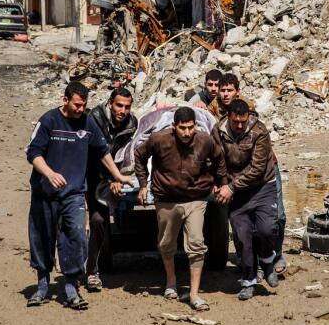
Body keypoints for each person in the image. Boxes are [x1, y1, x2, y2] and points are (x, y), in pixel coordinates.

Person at [26, 82, 133, 309]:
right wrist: (49, 173)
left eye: (83, 105)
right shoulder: (48, 121)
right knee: (43, 238)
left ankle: (71, 287)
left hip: (73, 193)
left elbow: (102, 151)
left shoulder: (87, 122)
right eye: (76, 104)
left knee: (76, 236)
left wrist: (118, 176)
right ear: (65, 100)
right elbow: (33, 153)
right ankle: (42, 286)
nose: (80, 109)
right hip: (44, 193)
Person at [134, 106, 227, 312]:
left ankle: (194, 294)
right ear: (174, 126)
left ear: (195, 126)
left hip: (196, 198)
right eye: (182, 128)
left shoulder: (205, 140)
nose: (186, 133)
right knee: (166, 243)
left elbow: (220, 159)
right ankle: (171, 281)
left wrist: (222, 183)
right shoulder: (159, 139)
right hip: (167, 199)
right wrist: (143, 184)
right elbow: (139, 156)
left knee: (196, 243)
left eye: (190, 128)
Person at [215, 99, 282, 299]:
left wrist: (230, 187)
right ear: (228, 117)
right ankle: (248, 281)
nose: (238, 126)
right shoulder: (218, 131)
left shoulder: (259, 131)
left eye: (242, 122)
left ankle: (267, 260)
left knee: (267, 228)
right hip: (235, 192)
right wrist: (218, 182)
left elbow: (258, 168)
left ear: (248, 118)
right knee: (242, 237)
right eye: (235, 122)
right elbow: (217, 159)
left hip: (262, 186)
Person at [84, 86, 138, 291]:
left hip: (110, 177)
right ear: (110, 104)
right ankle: (84, 268)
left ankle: (92, 270)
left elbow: (125, 152)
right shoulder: (93, 119)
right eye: (119, 105)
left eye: (127, 106)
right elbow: (94, 153)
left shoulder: (132, 123)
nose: (122, 111)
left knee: (99, 221)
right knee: (88, 220)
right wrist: (111, 177)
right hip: (87, 174)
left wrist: (117, 176)